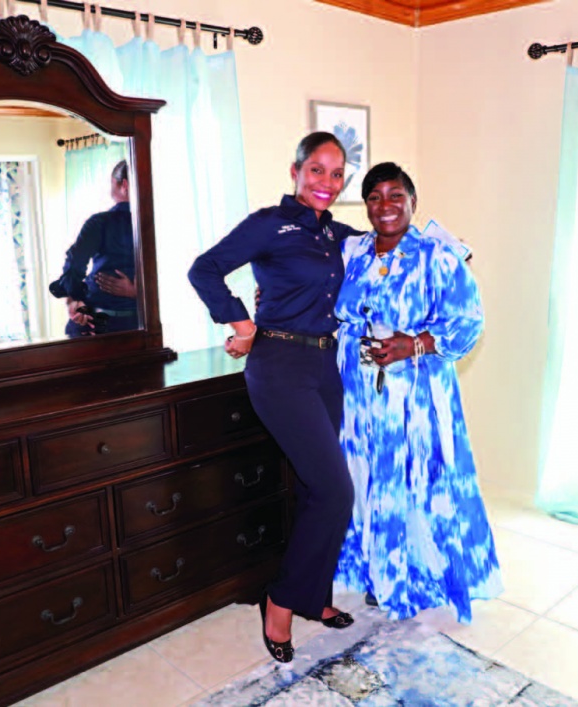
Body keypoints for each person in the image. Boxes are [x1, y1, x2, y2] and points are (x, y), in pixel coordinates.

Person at [188, 132, 359, 663]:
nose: (326, 182)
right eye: (317, 170)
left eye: (337, 174)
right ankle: (281, 602)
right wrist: (241, 321)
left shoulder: (340, 235)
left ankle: (314, 597)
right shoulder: (270, 223)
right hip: (280, 365)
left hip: (325, 365)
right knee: (336, 491)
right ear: (296, 171)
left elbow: (389, 251)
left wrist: (441, 248)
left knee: (316, 490)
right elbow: (204, 267)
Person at [333, 162, 503, 624]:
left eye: (395, 196)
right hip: (359, 391)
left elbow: (468, 322)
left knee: (415, 477)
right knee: (366, 476)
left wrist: (416, 343)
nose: (385, 206)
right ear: (365, 205)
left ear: (412, 201)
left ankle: (416, 572)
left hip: (417, 393)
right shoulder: (353, 253)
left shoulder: (438, 257)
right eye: (374, 197)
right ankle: (375, 569)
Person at [50, 159, 138, 337]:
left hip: (97, 323)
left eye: (111, 183)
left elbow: (75, 263)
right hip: (137, 323)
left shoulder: (100, 222)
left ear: (124, 185)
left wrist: (75, 298)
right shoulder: (158, 222)